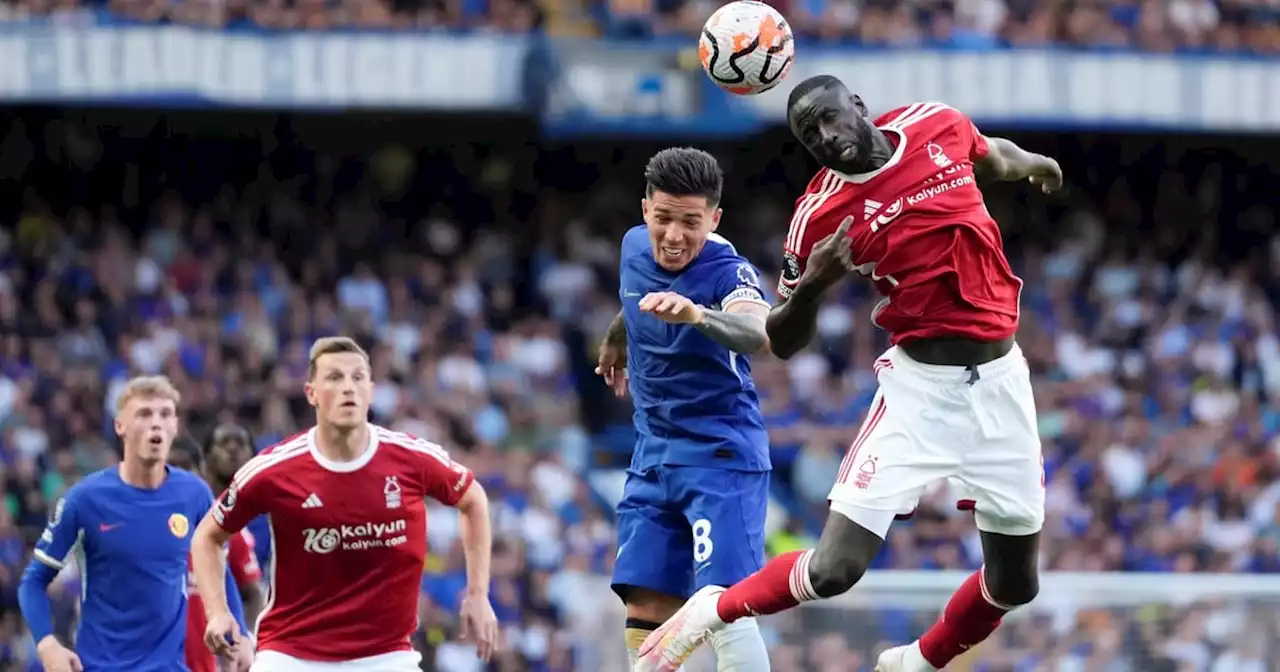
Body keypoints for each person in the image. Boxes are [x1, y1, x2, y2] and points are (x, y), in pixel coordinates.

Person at [637, 77, 1064, 672]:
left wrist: (1036, 163)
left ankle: (915, 662)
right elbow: (779, 340)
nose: (826, 137)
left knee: (1016, 585)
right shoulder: (818, 215)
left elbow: (990, 156)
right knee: (835, 568)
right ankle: (714, 609)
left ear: (859, 107)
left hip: (1003, 385)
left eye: (831, 119)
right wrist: (814, 282)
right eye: (809, 135)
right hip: (922, 393)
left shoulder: (932, 123)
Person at [190, 336, 500, 671]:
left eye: (357, 377)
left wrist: (478, 595)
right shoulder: (274, 470)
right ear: (311, 394)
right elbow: (207, 535)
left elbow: (473, 500)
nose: (348, 387)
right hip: (291, 655)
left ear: (371, 390)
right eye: (334, 378)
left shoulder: (413, 458)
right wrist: (218, 613)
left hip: (388, 658)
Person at [596, 147, 773, 671]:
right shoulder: (632, 246)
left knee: (723, 605)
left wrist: (698, 315)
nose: (674, 235)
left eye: (691, 223)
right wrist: (616, 334)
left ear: (714, 219)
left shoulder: (728, 272)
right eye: (664, 218)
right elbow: (638, 296)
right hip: (652, 455)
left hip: (720, 457)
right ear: (646, 208)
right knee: (645, 601)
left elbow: (755, 330)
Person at [18, 376, 253, 672]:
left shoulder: (194, 494)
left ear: (175, 426)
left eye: (165, 414)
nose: (156, 423)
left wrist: (241, 632)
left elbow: (220, 569)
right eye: (144, 414)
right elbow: (33, 581)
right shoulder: (85, 499)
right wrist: (46, 644)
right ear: (120, 427)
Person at [168, 431, 266, 672]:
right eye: (170, 468)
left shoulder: (227, 532)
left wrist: (245, 637)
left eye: (186, 467)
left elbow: (249, 592)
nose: (177, 477)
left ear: (200, 471)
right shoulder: (136, 530)